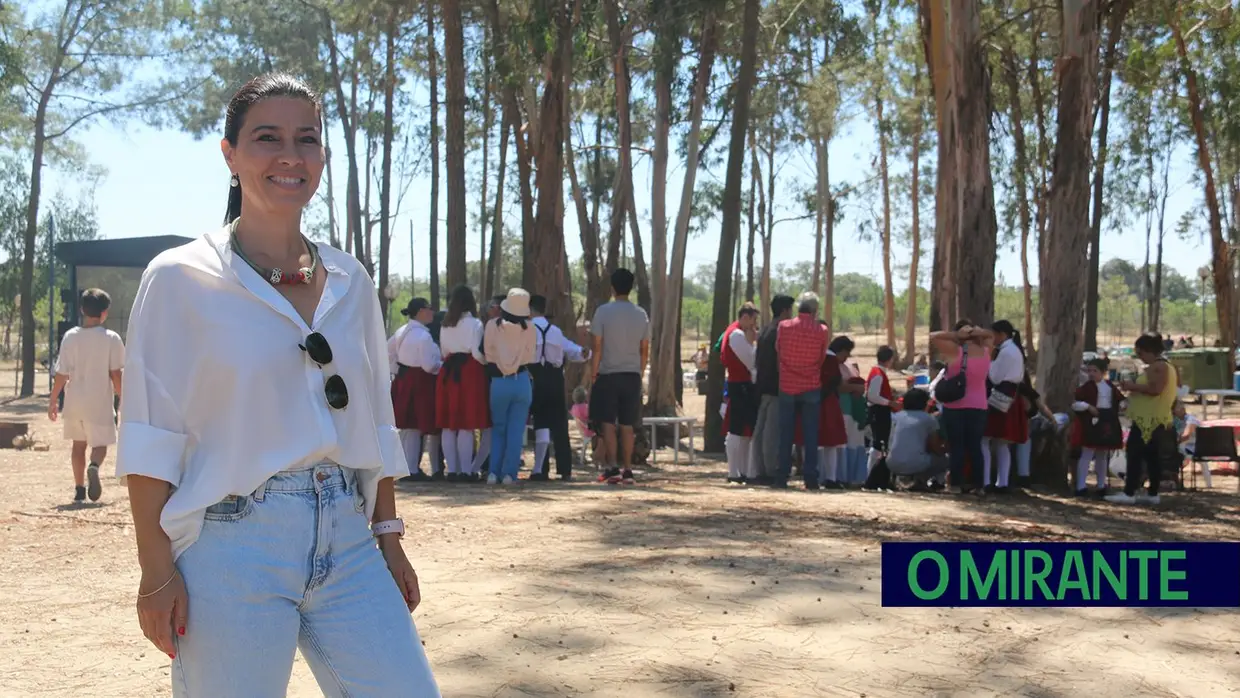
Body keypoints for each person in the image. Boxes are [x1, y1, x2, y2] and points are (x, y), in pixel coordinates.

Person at [115, 73, 437, 696]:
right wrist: (155, 570)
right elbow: (151, 433)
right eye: (267, 138)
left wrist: (388, 539)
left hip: (347, 533)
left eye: (306, 139)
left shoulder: (351, 279)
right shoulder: (179, 277)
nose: (290, 156)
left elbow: (373, 417)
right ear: (230, 155)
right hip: (231, 544)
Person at [48, 288, 125, 503]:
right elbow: (115, 373)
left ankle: (79, 489)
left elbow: (62, 373)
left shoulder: (70, 337)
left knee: (78, 445)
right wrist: (123, 398)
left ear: (82, 309)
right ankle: (94, 466)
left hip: (74, 400)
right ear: (105, 313)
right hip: (98, 401)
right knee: (100, 444)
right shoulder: (111, 339)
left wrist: (53, 400)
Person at [589, 268, 650, 485]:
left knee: (607, 422)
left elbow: (597, 346)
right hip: (631, 374)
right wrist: (639, 372)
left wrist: (594, 374)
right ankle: (628, 469)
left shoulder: (603, 312)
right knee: (627, 425)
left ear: (612, 288)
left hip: (608, 373)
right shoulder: (641, 314)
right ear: (631, 287)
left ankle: (612, 466)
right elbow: (645, 349)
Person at [1107, 332, 1178, 505]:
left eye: (1140, 353)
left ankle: (1129, 492)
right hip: (1153, 417)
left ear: (1149, 351)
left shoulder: (1158, 367)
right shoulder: (1166, 366)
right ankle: (1152, 493)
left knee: (1134, 453)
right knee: (1151, 455)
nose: (1140, 357)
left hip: (1150, 419)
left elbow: (1156, 389)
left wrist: (1132, 386)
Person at [529, 294, 589, 481]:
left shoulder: (528, 330)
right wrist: (583, 352)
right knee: (560, 425)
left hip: (536, 377)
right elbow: (574, 351)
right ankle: (565, 468)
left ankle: (542, 468)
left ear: (530, 309)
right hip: (556, 379)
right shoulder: (555, 331)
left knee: (541, 422)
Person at [929, 320, 993, 494]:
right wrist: (978, 331)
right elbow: (990, 335)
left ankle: (956, 484)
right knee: (975, 446)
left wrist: (957, 335)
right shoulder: (987, 351)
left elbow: (933, 336)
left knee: (956, 446)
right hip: (979, 405)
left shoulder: (954, 351)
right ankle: (978, 485)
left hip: (955, 404)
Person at [484, 288, 537, 484]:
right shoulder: (530, 328)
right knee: (516, 430)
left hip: (499, 382)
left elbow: (488, 355)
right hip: (522, 380)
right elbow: (531, 356)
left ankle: (492, 472)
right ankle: (509, 473)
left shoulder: (492, 326)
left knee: (498, 428)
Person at [437, 285, 490, 482]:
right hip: (469, 372)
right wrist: (487, 363)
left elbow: (443, 352)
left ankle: (452, 470)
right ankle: (467, 471)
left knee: (448, 424)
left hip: (448, 371)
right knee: (466, 424)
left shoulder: (445, 324)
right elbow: (477, 353)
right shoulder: (475, 324)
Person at [775, 292, 828, 489]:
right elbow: (822, 358)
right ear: (815, 310)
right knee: (810, 434)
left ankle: (782, 476)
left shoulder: (784, 327)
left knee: (785, 432)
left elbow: (778, 351)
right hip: (811, 384)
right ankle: (810, 477)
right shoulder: (821, 330)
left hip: (787, 384)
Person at [388, 297, 442, 481]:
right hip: (421, 381)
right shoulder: (423, 336)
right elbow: (429, 365)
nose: (432, 312)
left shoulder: (401, 332)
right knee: (415, 425)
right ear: (420, 311)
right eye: (429, 309)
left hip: (404, 379)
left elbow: (388, 353)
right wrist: (442, 367)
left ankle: (407, 466)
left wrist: (398, 369)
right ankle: (412, 468)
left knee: (407, 426)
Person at [749, 295, 795, 485]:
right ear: (785, 310)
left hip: (763, 385)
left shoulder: (766, 330)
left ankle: (760, 470)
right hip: (776, 386)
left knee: (760, 431)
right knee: (771, 432)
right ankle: (769, 471)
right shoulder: (779, 331)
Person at [980, 320, 1027, 493]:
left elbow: (995, 376)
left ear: (1001, 334)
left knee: (985, 438)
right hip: (1011, 396)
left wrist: (989, 362)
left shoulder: (1005, 352)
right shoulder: (1014, 350)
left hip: (999, 395)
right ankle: (1002, 481)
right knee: (1002, 442)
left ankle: (986, 480)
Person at [1070, 357, 1124, 497]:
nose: (1092, 374)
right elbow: (1075, 403)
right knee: (1087, 453)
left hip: (1107, 420)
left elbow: (1120, 401)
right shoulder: (1085, 388)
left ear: (1103, 372)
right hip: (1091, 422)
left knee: (1102, 454)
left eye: (1095, 370)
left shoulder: (1110, 387)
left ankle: (1101, 485)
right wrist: (1088, 406)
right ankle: (1081, 486)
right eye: (1089, 371)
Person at [720, 303, 759, 483]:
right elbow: (751, 361)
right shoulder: (736, 335)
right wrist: (753, 343)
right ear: (745, 317)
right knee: (735, 429)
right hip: (740, 385)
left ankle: (742, 470)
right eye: (753, 320)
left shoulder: (735, 333)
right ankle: (733, 471)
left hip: (741, 385)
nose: (754, 325)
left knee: (744, 431)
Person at [819, 335, 862, 489]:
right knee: (832, 440)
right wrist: (855, 388)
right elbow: (838, 384)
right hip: (829, 403)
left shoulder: (825, 359)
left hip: (827, 402)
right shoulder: (830, 361)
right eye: (846, 353)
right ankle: (830, 477)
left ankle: (829, 476)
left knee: (829, 441)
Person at [886, 389, 949, 484]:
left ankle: (899, 480)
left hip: (891, 462)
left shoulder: (896, 416)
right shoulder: (929, 419)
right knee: (944, 461)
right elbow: (935, 446)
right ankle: (921, 480)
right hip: (916, 463)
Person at [865, 345, 897, 478]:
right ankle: (870, 474)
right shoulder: (878, 374)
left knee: (880, 443)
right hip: (879, 411)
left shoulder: (878, 372)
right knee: (879, 443)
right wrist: (889, 402)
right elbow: (872, 396)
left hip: (879, 410)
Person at [570, 386, 599, 464]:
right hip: (590, 430)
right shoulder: (586, 407)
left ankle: (583, 458)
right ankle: (597, 455)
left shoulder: (574, 407)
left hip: (582, 430)